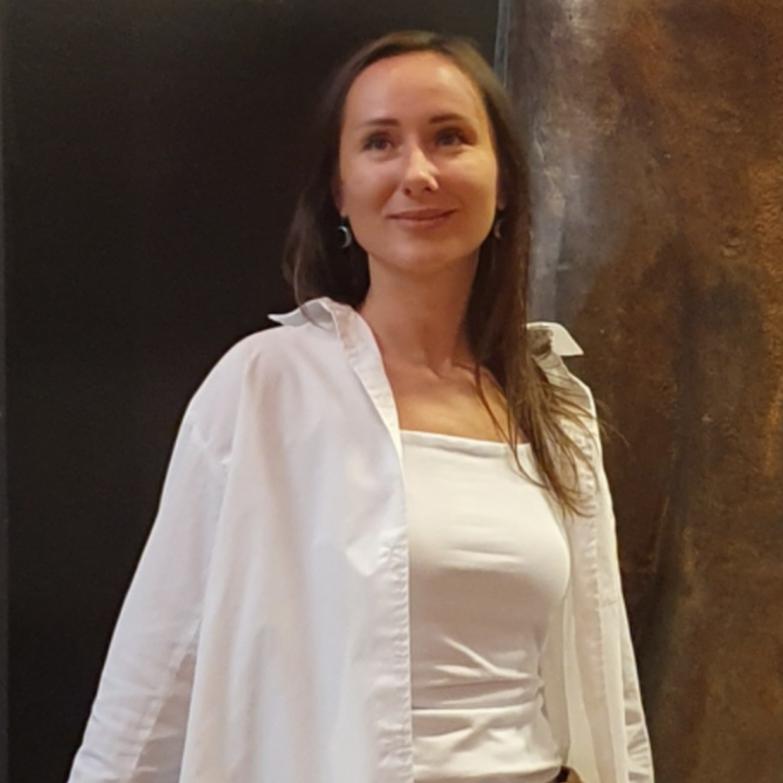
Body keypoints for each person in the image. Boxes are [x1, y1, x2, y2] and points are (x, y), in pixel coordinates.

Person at [67, 29, 654, 783]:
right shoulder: (265, 389)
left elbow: (605, 679)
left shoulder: (556, 410)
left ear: (504, 179)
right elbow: (156, 672)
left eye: (449, 137)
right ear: (340, 191)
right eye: (380, 143)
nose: (417, 173)